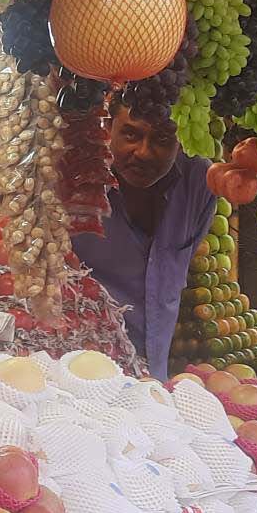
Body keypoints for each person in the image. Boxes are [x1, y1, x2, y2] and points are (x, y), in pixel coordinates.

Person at [68, 86, 215, 381]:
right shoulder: (76, 180)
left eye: (162, 139)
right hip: (85, 376)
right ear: (109, 128)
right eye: (131, 135)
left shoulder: (200, 182)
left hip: (153, 377)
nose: (144, 153)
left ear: (181, 140)